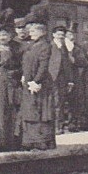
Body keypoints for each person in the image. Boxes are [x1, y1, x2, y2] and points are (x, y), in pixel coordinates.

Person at [20, 18, 57, 149]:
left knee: (41, 111)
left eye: (34, 31)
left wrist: (36, 81)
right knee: (30, 110)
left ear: (42, 32)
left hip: (40, 83)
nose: (31, 33)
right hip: (29, 82)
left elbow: (43, 65)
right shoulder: (31, 45)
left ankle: (42, 141)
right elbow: (26, 63)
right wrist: (25, 76)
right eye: (30, 31)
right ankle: (31, 140)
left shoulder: (45, 46)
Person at [47, 22, 72, 138]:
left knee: (60, 102)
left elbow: (67, 64)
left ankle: (59, 126)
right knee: (53, 102)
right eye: (58, 35)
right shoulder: (49, 46)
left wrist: (70, 80)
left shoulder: (64, 47)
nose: (60, 37)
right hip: (51, 77)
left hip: (62, 78)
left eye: (62, 35)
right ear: (53, 35)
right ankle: (53, 126)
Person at [62, 23, 87, 131]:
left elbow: (83, 61)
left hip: (75, 76)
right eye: (68, 33)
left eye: (72, 34)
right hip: (62, 76)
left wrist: (74, 60)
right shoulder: (60, 46)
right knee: (60, 100)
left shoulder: (78, 47)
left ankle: (73, 123)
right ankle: (60, 124)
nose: (70, 36)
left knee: (75, 100)